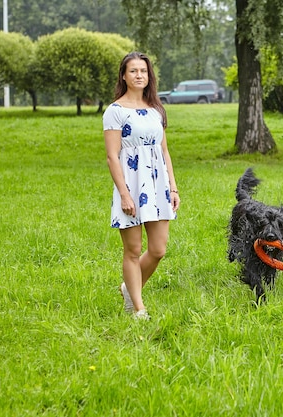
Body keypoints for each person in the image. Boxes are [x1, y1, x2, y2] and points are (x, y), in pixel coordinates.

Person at [103, 52, 180, 320]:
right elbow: (112, 156)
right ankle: (138, 308)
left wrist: (173, 187)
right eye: (133, 71)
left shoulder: (156, 109)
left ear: (149, 76)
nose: (139, 75)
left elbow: (165, 151)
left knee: (158, 249)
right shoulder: (115, 111)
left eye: (143, 71)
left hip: (158, 186)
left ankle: (128, 288)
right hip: (131, 185)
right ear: (124, 76)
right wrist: (124, 193)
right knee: (133, 250)